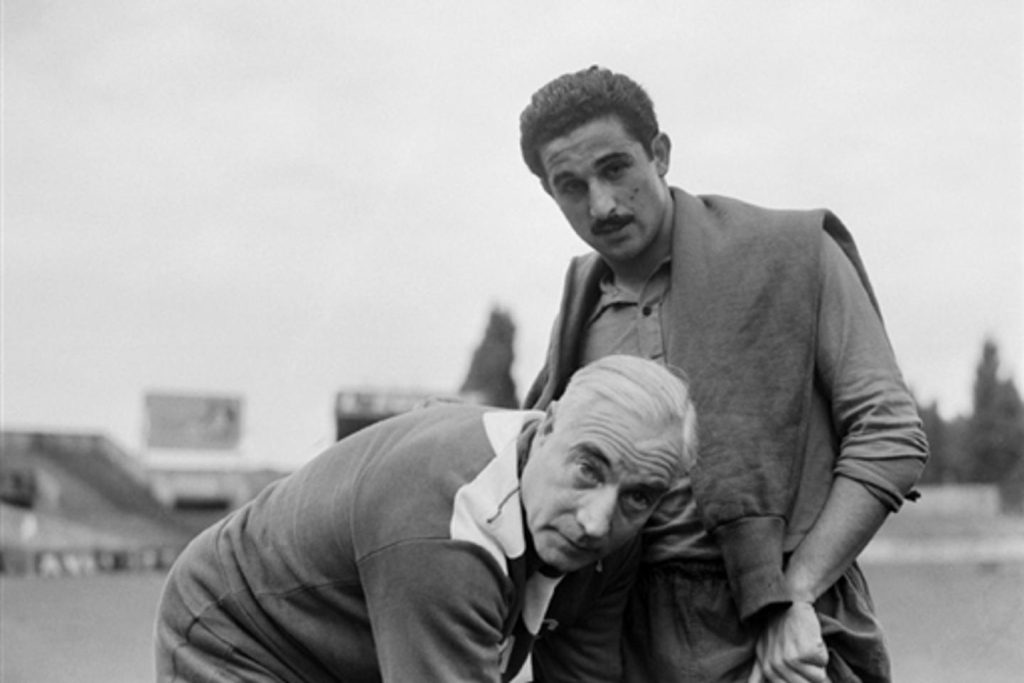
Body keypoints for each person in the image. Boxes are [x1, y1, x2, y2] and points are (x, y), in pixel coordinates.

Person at [519, 66, 929, 683]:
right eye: (571, 185)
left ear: (659, 154)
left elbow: (891, 436)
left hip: (778, 631)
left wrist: (796, 595)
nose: (601, 204)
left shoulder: (793, 254)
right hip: (618, 641)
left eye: (615, 168)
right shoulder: (579, 306)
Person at [154, 354, 698, 682]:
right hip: (245, 634)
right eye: (587, 469)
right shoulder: (448, 522)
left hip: (361, 652)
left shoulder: (617, 525)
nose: (598, 522)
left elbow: (582, 675)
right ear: (548, 426)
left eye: (639, 496)